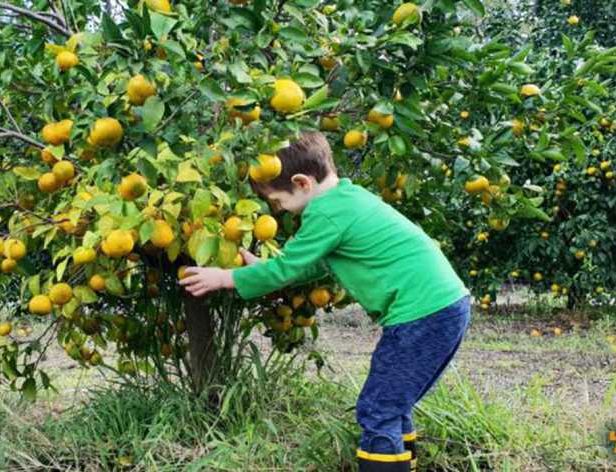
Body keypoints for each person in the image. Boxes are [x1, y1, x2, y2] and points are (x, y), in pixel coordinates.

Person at [179, 131, 471, 472]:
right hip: (442, 308)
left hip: (423, 315)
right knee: (392, 405)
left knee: (378, 410)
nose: (278, 209)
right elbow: (313, 264)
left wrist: (226, 278)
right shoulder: (347, 199)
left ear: (302, 183)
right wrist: (265, 269)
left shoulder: (325, 212)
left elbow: (288, 267)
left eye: (276, 201)